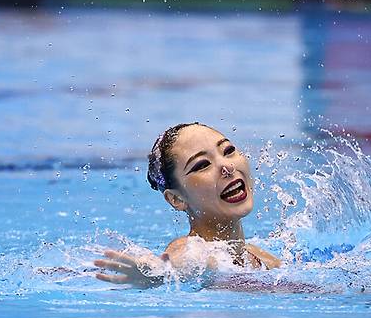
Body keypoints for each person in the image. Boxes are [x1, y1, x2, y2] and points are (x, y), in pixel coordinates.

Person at [94, 122, 282, 287]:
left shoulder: (262, 259)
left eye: (228, 151)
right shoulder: (195, 249)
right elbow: (185, 262)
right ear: (177, 199)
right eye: (202, 165)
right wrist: (158, 274)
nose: (227, 167)